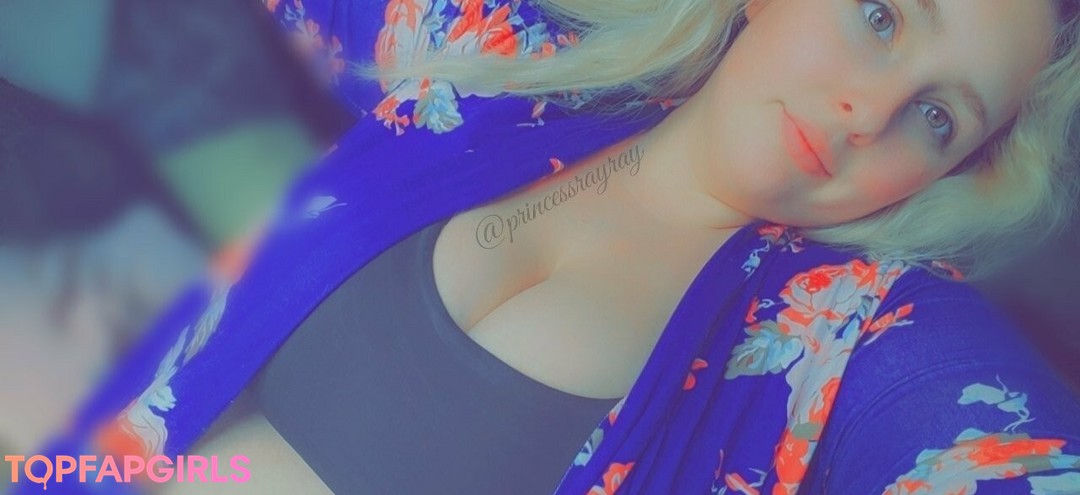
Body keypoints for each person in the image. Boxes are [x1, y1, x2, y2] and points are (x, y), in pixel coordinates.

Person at [12, 0, 1080, 494]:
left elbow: (1008, 460)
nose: (870, 111)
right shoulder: (501, 70)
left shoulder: (864, 338)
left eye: (939, 117)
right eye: (883, 18)